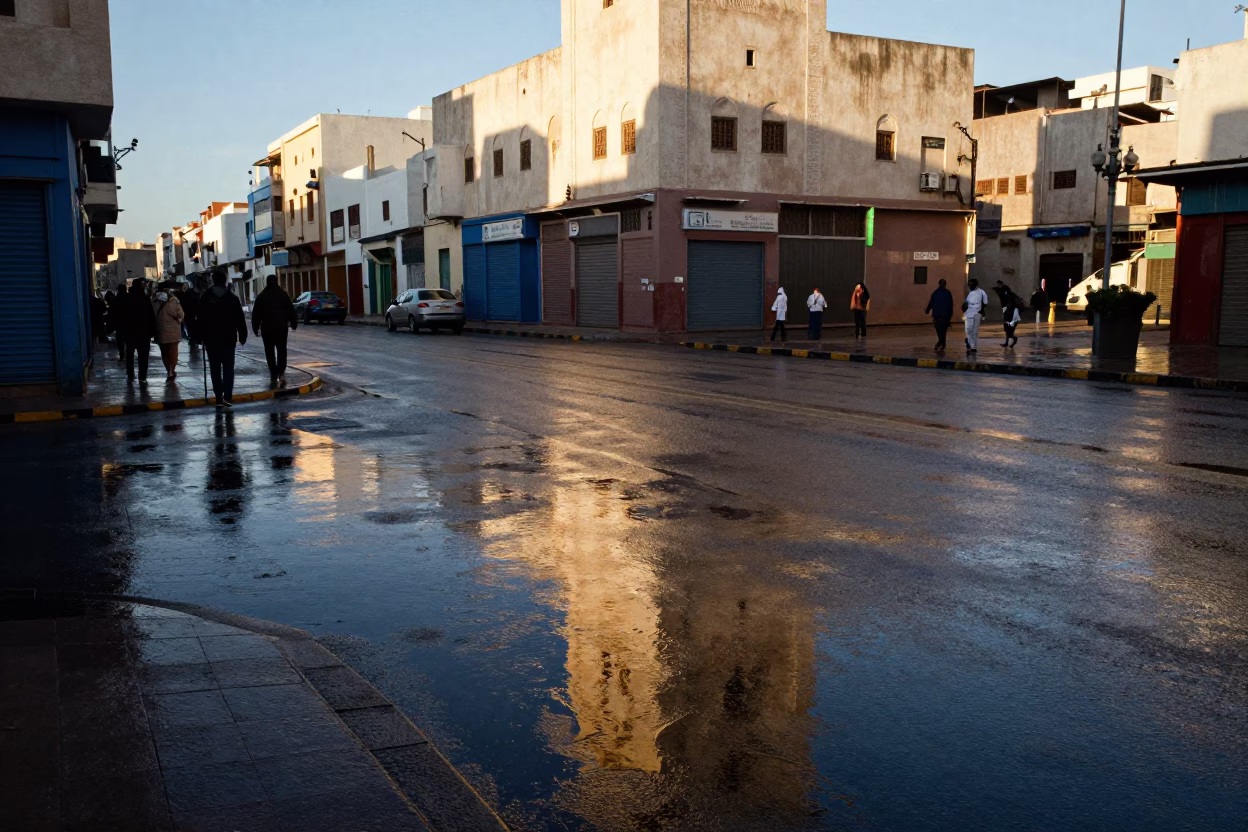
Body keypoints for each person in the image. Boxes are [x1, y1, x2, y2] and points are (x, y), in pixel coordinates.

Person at [198, 270, 248, 406]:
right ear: (225, 281)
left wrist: (200, 336)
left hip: (211, 338)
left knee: (214, 368)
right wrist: (243, 335)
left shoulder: (205, 297)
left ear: (213, 280)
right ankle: (228, 395)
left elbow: (200, 318)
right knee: (228, 368)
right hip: (228, 338)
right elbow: (240, 319)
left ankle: (218, 396)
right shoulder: (232, 298)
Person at [251, 275, 298, 383]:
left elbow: (256, 314)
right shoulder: (283, 295)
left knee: (269, 351)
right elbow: (291, 310)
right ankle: (281, 370)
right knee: (282, 349)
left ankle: (273, 371)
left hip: (267, 329)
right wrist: (293, 323)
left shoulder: (262, 296)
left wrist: (255, 327)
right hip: (281, 328)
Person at [121, 281, 158, 383]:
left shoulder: (127, 298)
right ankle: (142, 377)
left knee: (129, 355)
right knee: (143, 355)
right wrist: (153, 331)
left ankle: (130, 375)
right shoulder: (145, 299)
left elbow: (122, 317)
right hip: (144, 333)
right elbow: (151, 316)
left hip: (130, 331)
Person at [152, 284, 185, 380]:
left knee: (164, 351)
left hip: (160, 329)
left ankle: (168, 370)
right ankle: (171, 370)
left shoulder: (154, 300)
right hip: (173, 330)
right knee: (173, 351)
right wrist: (178, 320)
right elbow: (181, 314)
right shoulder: (174, 300)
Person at [925, 278, 955, 351]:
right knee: (942, 331)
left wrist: (927, 310)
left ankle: (940, 343)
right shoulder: (946, 293)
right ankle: (941, 343)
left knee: (940, 331)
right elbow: (950, 305)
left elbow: (931, 303)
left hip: (939, 315)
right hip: (943, 315)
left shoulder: (936, 293)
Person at [963, 278, 990, 353]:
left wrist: (981, 310)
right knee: (969, 329)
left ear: (975, 285)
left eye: (971, 284)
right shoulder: (969, 293)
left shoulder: (982, 292)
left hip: (977, 312)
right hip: (969, 312)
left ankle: (973, 346)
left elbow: (985, 302)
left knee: (975, 331)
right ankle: (969, 342)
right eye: (969, 285)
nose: (970, 286)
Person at [107, 282, 128, 362]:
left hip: (118, 322)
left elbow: (111, 311)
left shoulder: (114, 299)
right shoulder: (129, 298)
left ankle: (122, 353)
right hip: (128, 322)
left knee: (120, 339)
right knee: (128, 338)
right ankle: (127, 353)